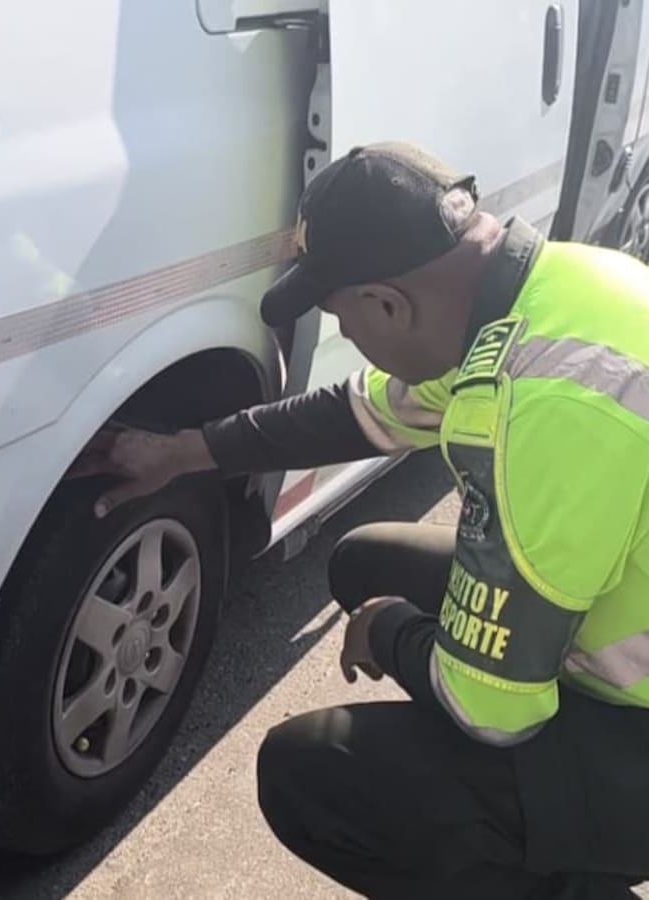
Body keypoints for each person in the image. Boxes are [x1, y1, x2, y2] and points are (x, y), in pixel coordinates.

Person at [72, 141, 649, 898]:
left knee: (311, 772)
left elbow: (493, 711)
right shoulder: (550, 294)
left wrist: (388, 631)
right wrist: (184, 453)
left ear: (387, 303)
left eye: (344, 318)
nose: (354, 342)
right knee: (366, 558)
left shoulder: (553, 405)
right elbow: (357, 413)